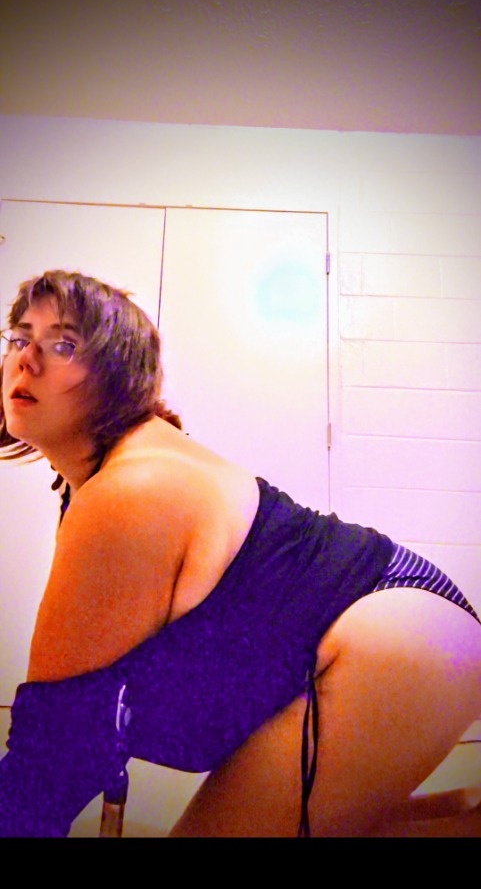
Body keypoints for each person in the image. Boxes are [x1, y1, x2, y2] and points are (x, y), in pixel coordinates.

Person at [0, 268, 480, 839]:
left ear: (119, 375)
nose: (26, 360)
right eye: (20, 338)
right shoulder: (101, 481)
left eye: (63, 345)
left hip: (397, 637)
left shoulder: (129, 489)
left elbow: (52, 752)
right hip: (410, 628)